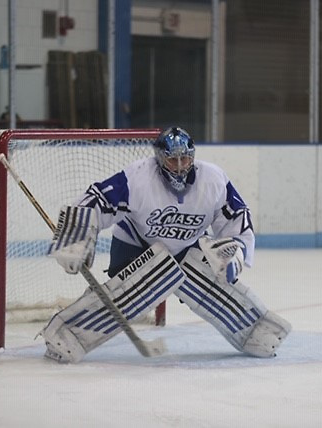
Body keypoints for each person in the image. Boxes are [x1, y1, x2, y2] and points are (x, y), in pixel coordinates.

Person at [40, 126, 291, 363]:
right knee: (130, 292)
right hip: (135, 242)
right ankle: (65, 335)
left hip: (184, 246)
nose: (180, 167)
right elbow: (98, 198)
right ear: (160, 158)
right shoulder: (138, 177)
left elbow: (238, 216)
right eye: (173, 160)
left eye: (185, 159)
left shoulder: (213, 179)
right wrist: (76, 233)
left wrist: (237, 248)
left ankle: (257, 331)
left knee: (205, 277)